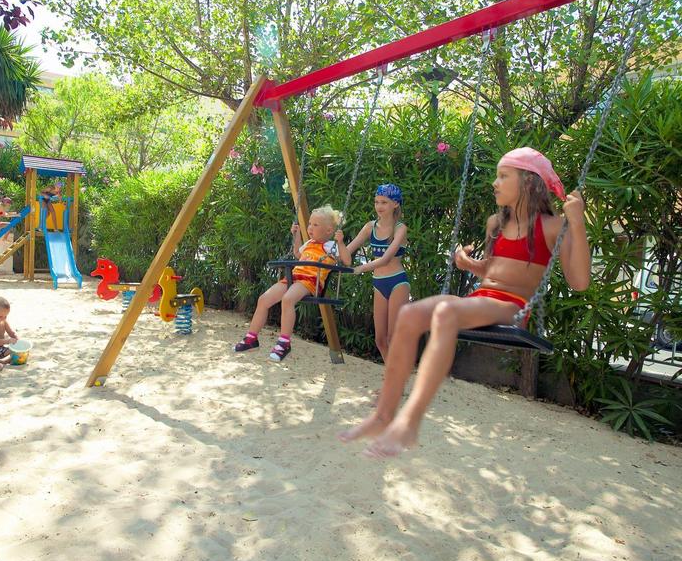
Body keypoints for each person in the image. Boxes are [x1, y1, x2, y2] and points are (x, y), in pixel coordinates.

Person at [339, 147, 591, 458]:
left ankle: (409, 422)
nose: (495, 183)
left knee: (446, 312)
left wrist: (577, 224)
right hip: (481, 298)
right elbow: (493, 270)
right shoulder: (495, 223)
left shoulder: (553, 226)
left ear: (528, 182)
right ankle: (383, 415)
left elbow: (579, 282)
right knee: (410, 314)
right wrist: (468, 263)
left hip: (512, 305)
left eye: (503, 176)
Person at [234, 204, 345, 362]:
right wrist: (297, 235)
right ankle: (251, 339)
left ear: (328, 230)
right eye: (310, 224)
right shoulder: (309, 243)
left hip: (309, 281)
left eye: (315, 225)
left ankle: (284, 343)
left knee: (287, 299)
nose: (310, 228)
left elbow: (346, 260)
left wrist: (340, 242)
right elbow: (298, 254)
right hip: (293, 278)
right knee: (264, 299)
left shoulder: (331, 246)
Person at [336, 184, 409, 362]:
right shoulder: (370, 227)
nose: (379, 206)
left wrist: (361, 268)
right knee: (380, 340)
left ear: (395, 204)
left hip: (397, 282)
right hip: (378, 283)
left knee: (392, 338)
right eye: (376, 202)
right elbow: (346, 255)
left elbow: (385, 259)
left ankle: (394, 378)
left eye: (384, 202)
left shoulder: (400, 228)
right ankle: (393, 375)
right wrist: (340, 243)